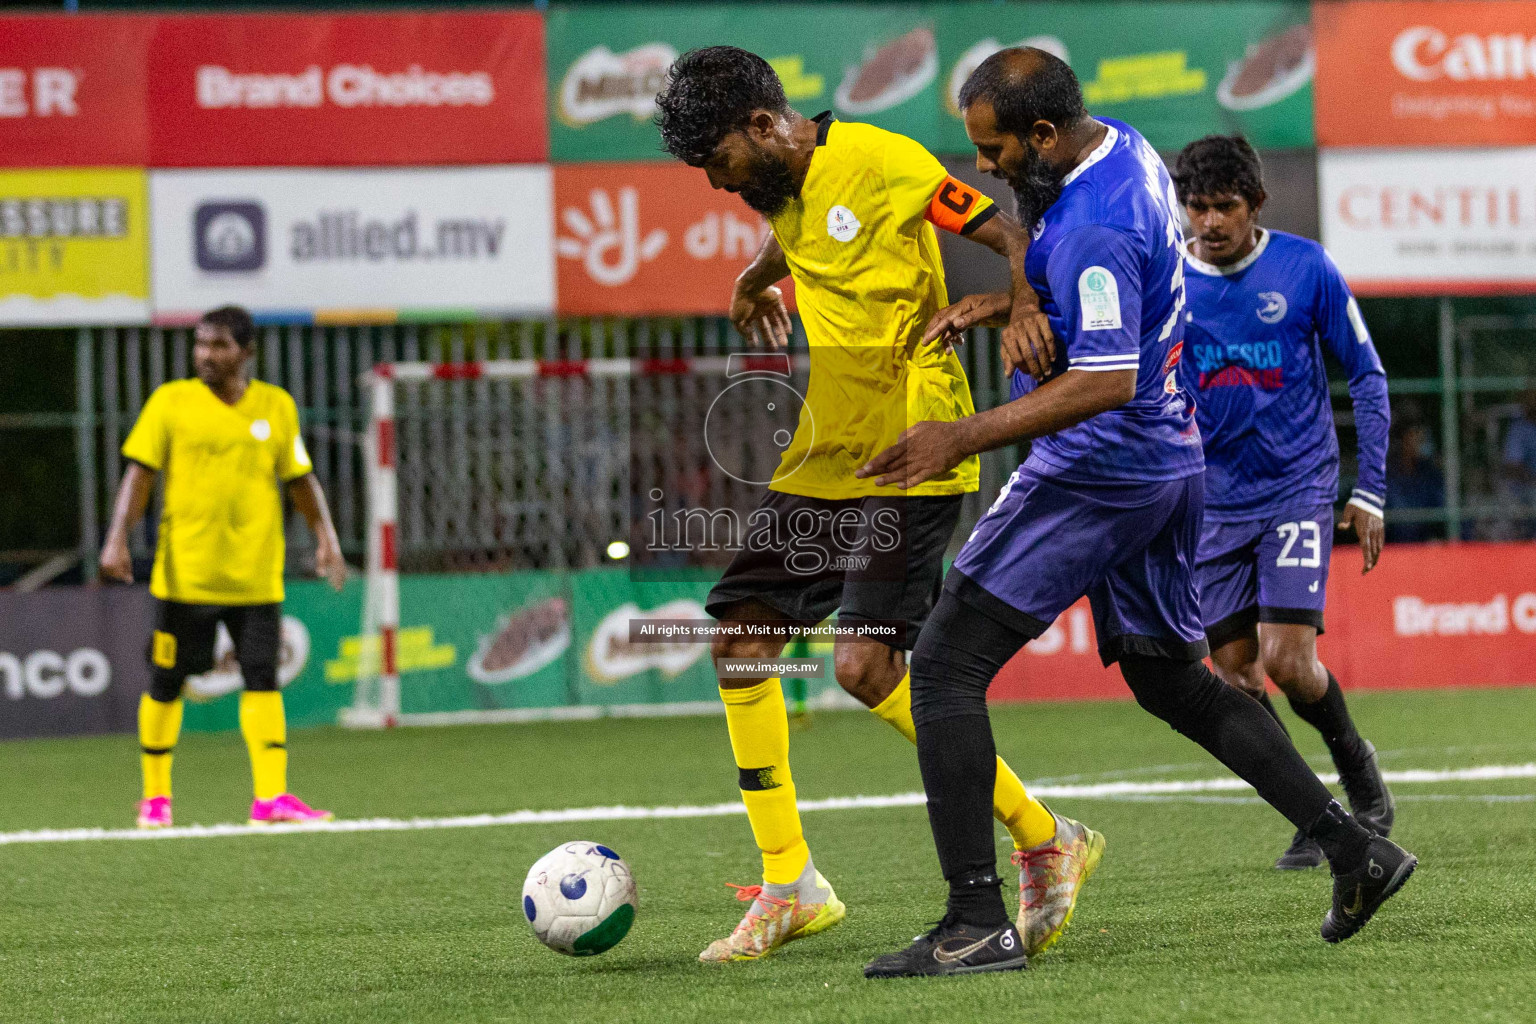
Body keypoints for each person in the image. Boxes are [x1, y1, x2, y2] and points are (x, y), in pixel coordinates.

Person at [857, 48, 1416, 979]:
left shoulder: (1095, 229)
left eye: (992, 149)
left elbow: (1107, 378)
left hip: (1101, 466)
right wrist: (1020, 299)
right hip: (1174, 461)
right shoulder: (1124, 150)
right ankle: (1356, 849)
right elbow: (1060, 246)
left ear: (1041, 134)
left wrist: (964, 435)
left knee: (946, 666)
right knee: (1173, 679)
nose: (983, 168)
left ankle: (973, 921)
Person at [654, 45, 1102, 964]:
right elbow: (801, 231)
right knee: (742, 638)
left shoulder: (889, 162)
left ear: (764, 126)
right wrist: (753, 279)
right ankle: (791, 884)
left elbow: (1014, 237)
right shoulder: (780, 186)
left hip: (915, 442)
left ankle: (1045, 834)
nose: (717, 185)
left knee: (864, 668)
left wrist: (1019, 307)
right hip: (829, 451)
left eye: (721, 165)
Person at [1172, 135, 1395, 870]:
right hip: (1210, 502)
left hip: (1296, 487)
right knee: (1235, 676)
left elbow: (1365, 374)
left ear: (1255, 204)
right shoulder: (1165, 278)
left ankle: (1359, 773)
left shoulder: (1305, 268)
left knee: (1288, 662)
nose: (1208, 222)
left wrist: (1370, 489)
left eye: (1224, 207)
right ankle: (1312, 810)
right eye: (1196, 206)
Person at [100, 305, 346, 829]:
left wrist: (326, 536)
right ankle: (155, 799)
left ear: (247, 352)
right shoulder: (171, 402)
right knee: (167, 680)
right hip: (186, 576)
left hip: (256, 576)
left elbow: (300, 478)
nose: (205, 355)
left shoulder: (275, 407)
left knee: (262, 679)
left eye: (218, 346)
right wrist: (117, 538)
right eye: (200, 345)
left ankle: (271, 798)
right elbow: (139, 474)